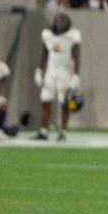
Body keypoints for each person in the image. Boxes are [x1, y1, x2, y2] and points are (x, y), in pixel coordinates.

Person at [33, 13, 82, 141]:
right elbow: (44, 53)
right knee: (45, 99)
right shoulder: (47, 34)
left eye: (62, 20)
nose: (60, 23)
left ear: (68, 22)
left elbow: (76, 56)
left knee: (64, 102)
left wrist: (76, 75)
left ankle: (63, 131)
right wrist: (39, 70)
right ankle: (43, 130)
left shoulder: (73, 34)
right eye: (57, 20)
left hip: (65, 70)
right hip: (51, 69)